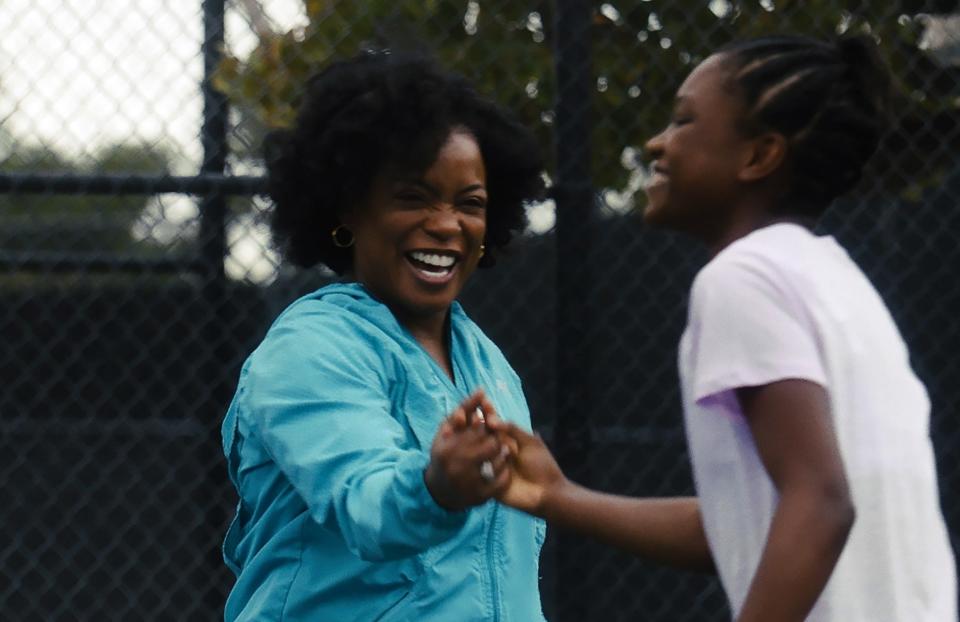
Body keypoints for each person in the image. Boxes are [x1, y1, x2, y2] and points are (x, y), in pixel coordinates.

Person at [484, 34, 958, 621]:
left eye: (683, 121)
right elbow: (745, 528)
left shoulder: (742, 278)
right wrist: (558, 496)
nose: (658, 141)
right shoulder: (838, 283)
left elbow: (821, 504)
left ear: (759, 156)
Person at [219, 51, 548, 621]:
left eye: (469, 204)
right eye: (413, 197)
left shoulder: (487, 363)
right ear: (347, 208)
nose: (447, 223)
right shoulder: (310, 349)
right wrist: (435, 485)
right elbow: (366, 502)